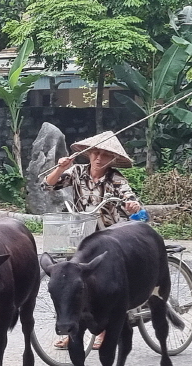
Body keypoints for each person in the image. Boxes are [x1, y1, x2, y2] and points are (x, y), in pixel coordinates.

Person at [42, 131, 144, 349]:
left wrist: (132, 205)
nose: (99, 158)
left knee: (106, 285)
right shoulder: (77, 172)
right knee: (72, 285)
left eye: (105, 155)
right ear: (88, 154)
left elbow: (129, 197)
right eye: (96, 153)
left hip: (110, 235)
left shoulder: (115, 178)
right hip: (82, 234)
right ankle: (71, 331)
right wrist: (60, 167)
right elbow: (49, 185)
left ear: (113, 159)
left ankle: (105, 330)